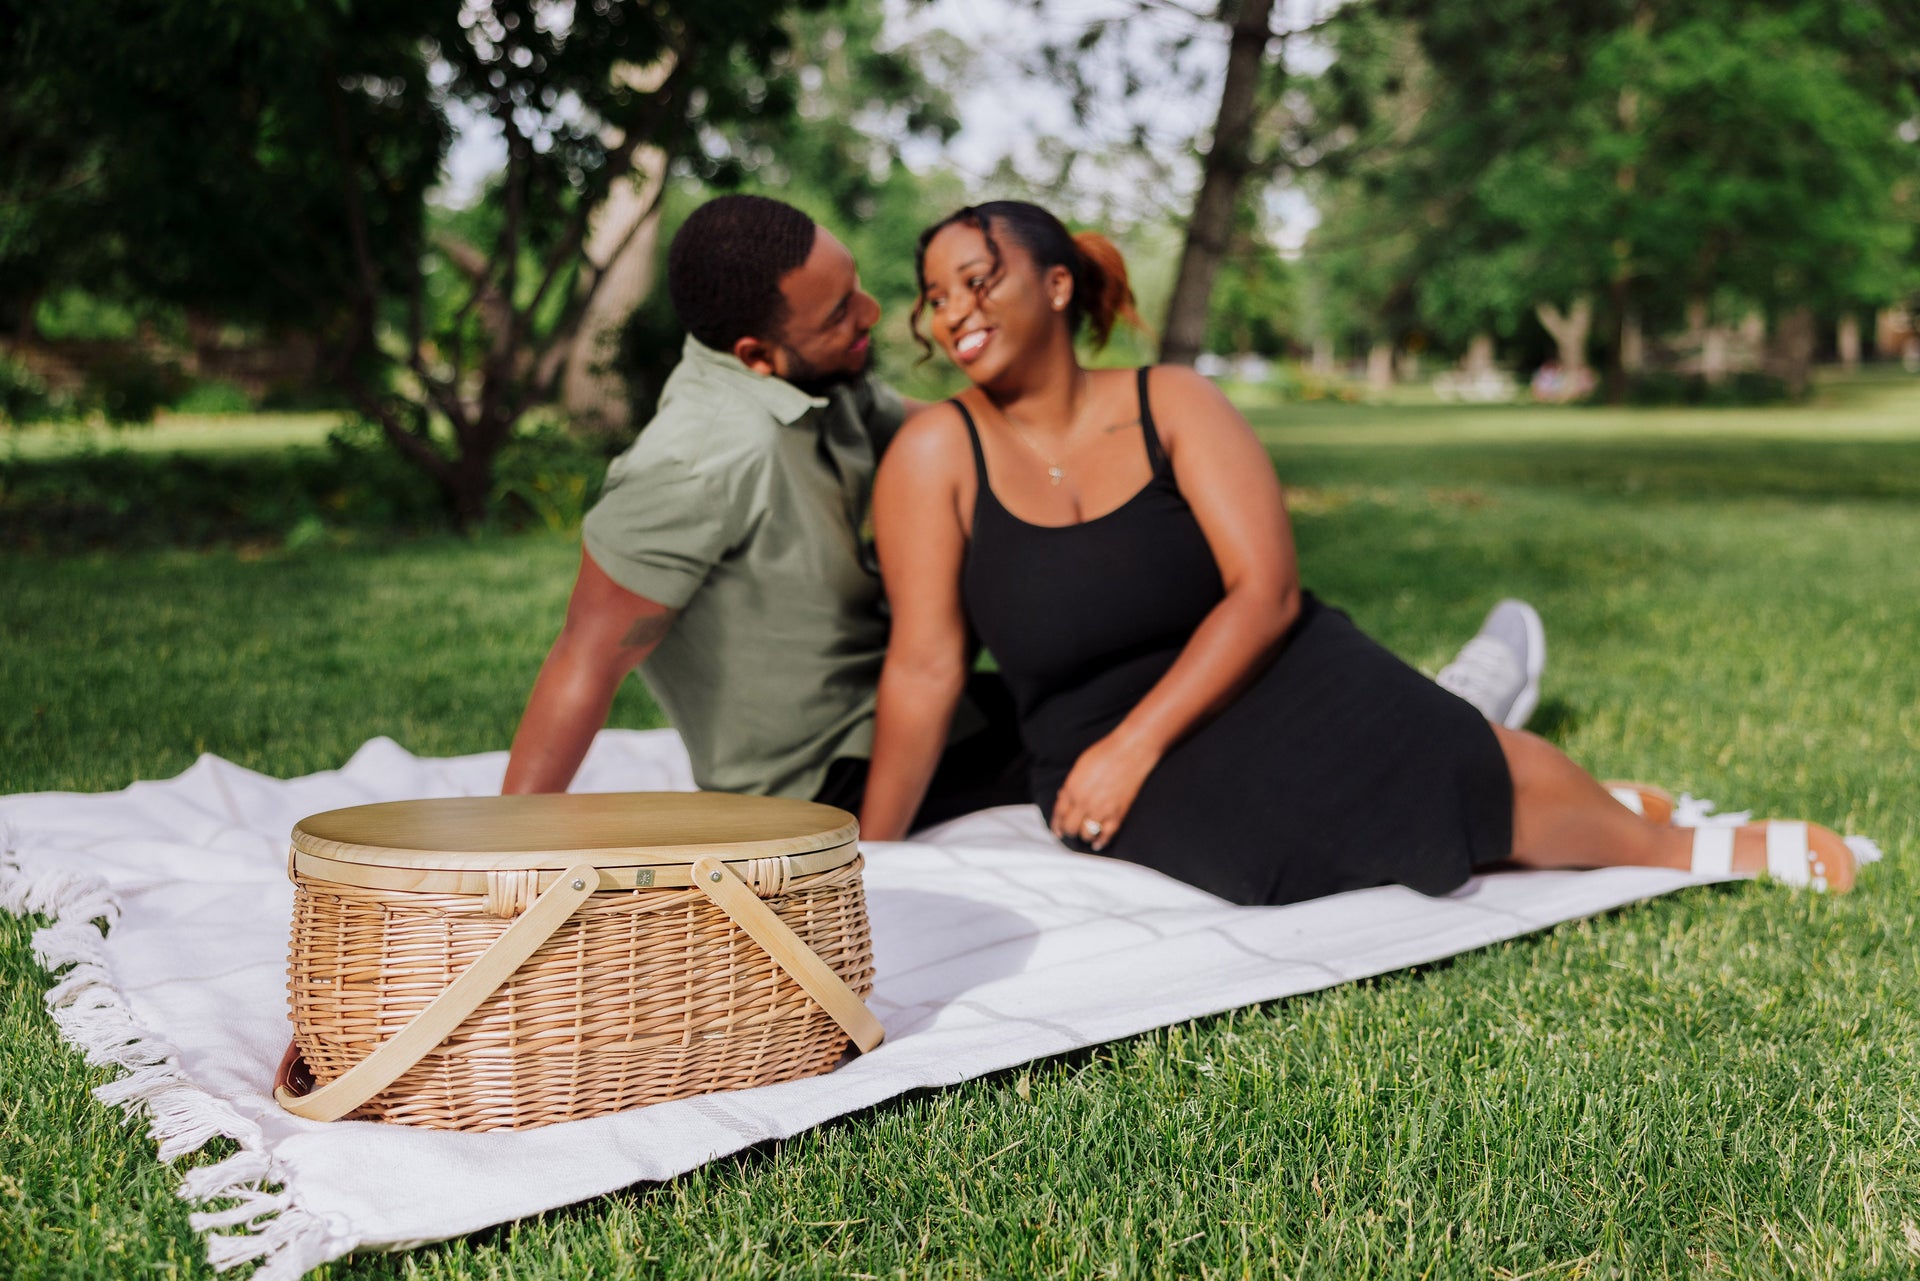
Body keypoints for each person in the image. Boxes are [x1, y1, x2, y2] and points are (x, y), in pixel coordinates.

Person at [856, 200, 1856, 902]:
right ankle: (1588, 810)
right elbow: (927, 664)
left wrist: (1138, 745)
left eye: (978, 281)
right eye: (937, 298)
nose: (957, 313)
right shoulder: (936, 453)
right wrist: (872, 860)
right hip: (1087, 744)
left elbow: (1266, 592)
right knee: (1266, 858)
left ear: (1060, 284)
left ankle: (1669, 840)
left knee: (1451, 759)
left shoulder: (1176, 404)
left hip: (1268, 668)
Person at [502, 192, 1539, 829]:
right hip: (835, 778)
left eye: (865, 289)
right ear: (757, 357)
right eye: (841, 315)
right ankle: (1451, 716)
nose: (877, 318)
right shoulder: (693, 463)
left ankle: (1414, 708)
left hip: (943, 714)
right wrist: (491, 858)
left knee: (1169, 653)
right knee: (1186, 736)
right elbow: (585, 657)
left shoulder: (835, 386)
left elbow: (983, 442)